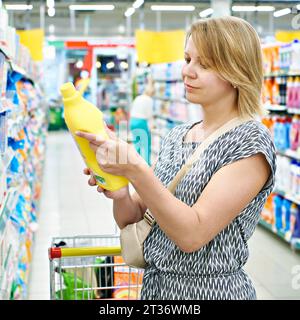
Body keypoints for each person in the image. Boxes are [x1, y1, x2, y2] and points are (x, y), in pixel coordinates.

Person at [76, 16, 276, 300]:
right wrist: (120, 192)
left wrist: (136, 168)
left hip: (210, 292)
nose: (187, 71)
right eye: (187, 59)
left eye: (204, 64)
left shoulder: (250, 142)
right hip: (157, 290)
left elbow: (192, 234)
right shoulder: (177, 135)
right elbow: (133, 219)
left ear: (237, 70)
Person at [129, 80, 154, 166]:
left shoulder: (138, 98)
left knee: (137, 144)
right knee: (146, 144)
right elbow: (149, 115)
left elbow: (132, 109)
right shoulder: (149, 100)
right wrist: (151, 127)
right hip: (141, 122)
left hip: (132, 121)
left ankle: (137, 164)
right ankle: (147, 165)